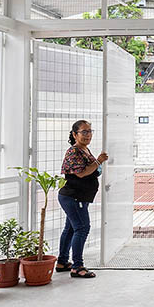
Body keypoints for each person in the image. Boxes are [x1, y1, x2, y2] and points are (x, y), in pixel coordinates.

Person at [57, 119, 106, 279]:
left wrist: (97, 163)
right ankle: (77, 266)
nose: (88, 135)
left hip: (79, 197)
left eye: (90, 131)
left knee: (71, 228)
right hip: (73, 197)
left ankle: (62, 262)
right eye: (84, 132)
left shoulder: (85, 149)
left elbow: (93, 171)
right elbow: (82, 173)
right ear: (74, 134)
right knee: (82, 228)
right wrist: (98, 161)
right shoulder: (74, 151)